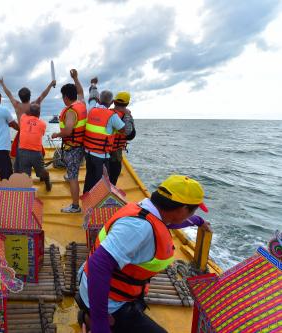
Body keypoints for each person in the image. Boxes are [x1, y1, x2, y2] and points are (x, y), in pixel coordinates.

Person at [77, 175, 209, 333]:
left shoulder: (146, 210)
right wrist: (100, 325)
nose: (190, 215)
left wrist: (197, 221)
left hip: (109, 288)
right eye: (192, 211)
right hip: (108, 300)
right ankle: (92, 318)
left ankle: (93, 317)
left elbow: (169, 221)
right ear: (182, 209)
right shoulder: (139, 228)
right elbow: (98, 265)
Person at [0, 77, 56, 171]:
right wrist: (50, 84)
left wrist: (2, 83)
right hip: (33, 133)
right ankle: (40, 172)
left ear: (19, 97)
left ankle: (18, 171)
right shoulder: (34, 105)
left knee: (17, 155)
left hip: (22, 134)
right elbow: (43, 95)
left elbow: (9, 94)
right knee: (38, 152)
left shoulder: (17, 105)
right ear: (30, 96)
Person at [51, 69, 87, 213]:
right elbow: (81, 91)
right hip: (81, 146)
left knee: (73, 178)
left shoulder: (71, 111)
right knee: (72, 172)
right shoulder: (81, 104)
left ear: (65, 97)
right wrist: (76, 78)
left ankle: (75, 206)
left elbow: (68, 131)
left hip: (73, 148)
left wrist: (56, 134)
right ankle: (69, 174)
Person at [83, 90, 125, 193]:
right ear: (111, 103)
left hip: (88, 153)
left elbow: (91, 99)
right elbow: (123, 130)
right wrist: (126, 113)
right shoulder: (112, 115)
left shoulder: (91, 110)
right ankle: (97, 204)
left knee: (89, 177)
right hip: (101, 156)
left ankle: (86, 200)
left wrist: (93, 86)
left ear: (99, 100)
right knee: (101, 183)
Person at [16, 103, 52, 191]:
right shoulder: (43, 124)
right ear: (39, 114)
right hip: (36, 153)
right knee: (41, 171)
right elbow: (41, 133)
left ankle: (26, 192)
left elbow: (26, 111)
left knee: (25, 176)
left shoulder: (23, 118)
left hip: (22, 152)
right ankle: (47, 181)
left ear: (29, 112)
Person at [109, 91, 135, 186]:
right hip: (115, 153)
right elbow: (130, 135)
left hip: (102, 151)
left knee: (102, 177)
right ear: (127, 103)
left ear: (114, 102)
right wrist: (129, 116)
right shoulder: (126, 116)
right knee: (112, 178)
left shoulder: (108, 113)